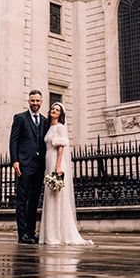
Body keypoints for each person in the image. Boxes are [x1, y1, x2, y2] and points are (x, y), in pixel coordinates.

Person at [39, 102, 93, 246]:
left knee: (57, 196)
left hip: (57, 161)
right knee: (50, 196)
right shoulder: (49, 127)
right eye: (53, 109)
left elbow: (61, 148)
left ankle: (57, 235)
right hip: (49, 159)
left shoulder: (60, 127)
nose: (54, 111)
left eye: (57, 110)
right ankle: (50, 234)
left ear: (61, 114)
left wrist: (57, 166)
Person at [9, 89, 48, 244]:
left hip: (39, 167)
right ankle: (22, 234)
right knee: (22, 199)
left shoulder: (45, 121)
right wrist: (15, 161)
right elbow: (13, 141)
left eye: (38, 101)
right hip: (24, 165)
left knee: (33, 201)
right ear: (28, 101)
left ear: (41, 102)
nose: (35, 104)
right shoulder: (20, 118)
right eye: (33, 101)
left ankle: (31, 232)